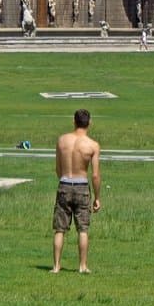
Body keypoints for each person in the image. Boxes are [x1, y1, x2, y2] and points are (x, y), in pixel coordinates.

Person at [52, 109, 101, 274]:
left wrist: (64, 180)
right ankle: (82, 266)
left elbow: (58, 168)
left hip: (64, 183)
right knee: (83, 229)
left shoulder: (62, 140)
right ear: (90, 123)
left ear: (74, 121)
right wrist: (97, 197)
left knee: (60, 229)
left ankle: (56, 266)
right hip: (82, 186)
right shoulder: (92, 145)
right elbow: (95, 175)